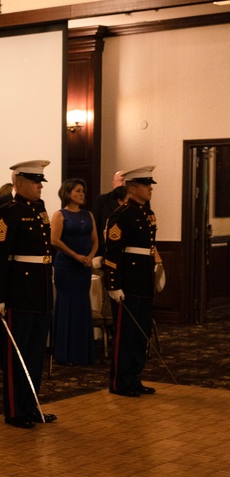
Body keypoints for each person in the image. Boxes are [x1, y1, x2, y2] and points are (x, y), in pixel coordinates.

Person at [0, 160, 58, 429]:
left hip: (40, 291)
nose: (40, 186)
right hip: (19, 291)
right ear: (18, 183)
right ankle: (15, 410)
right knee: (16, 355)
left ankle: (32, 406)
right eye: (35, 181)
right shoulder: (7, 211)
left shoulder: (39, 210)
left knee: (35, 353)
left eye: (40, 181)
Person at [103, 166, 160, 397]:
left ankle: (134, 377)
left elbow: (149, 247)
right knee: (125, 334)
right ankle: (119, 381)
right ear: (132, 188)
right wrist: (114, 285)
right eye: (146, 185)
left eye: (150, 185)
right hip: (127, 281)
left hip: (143, 280)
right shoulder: (121, 214)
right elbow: (113, 253)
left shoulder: (148, 213)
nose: (150, 189)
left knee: (141, 333)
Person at [50, 178, 98, 365]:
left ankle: (82, 353)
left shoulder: (88, 215)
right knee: (67, 306)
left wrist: (90, 256)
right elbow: (55, 241)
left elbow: (95, 240)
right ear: (68, 193)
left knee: (81, 306)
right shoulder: (60, 215)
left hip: (84, 267)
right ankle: (65, 353)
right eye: (77, 190)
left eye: (83, 191)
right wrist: (76, 255)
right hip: (66, 267)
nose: (81, 194)